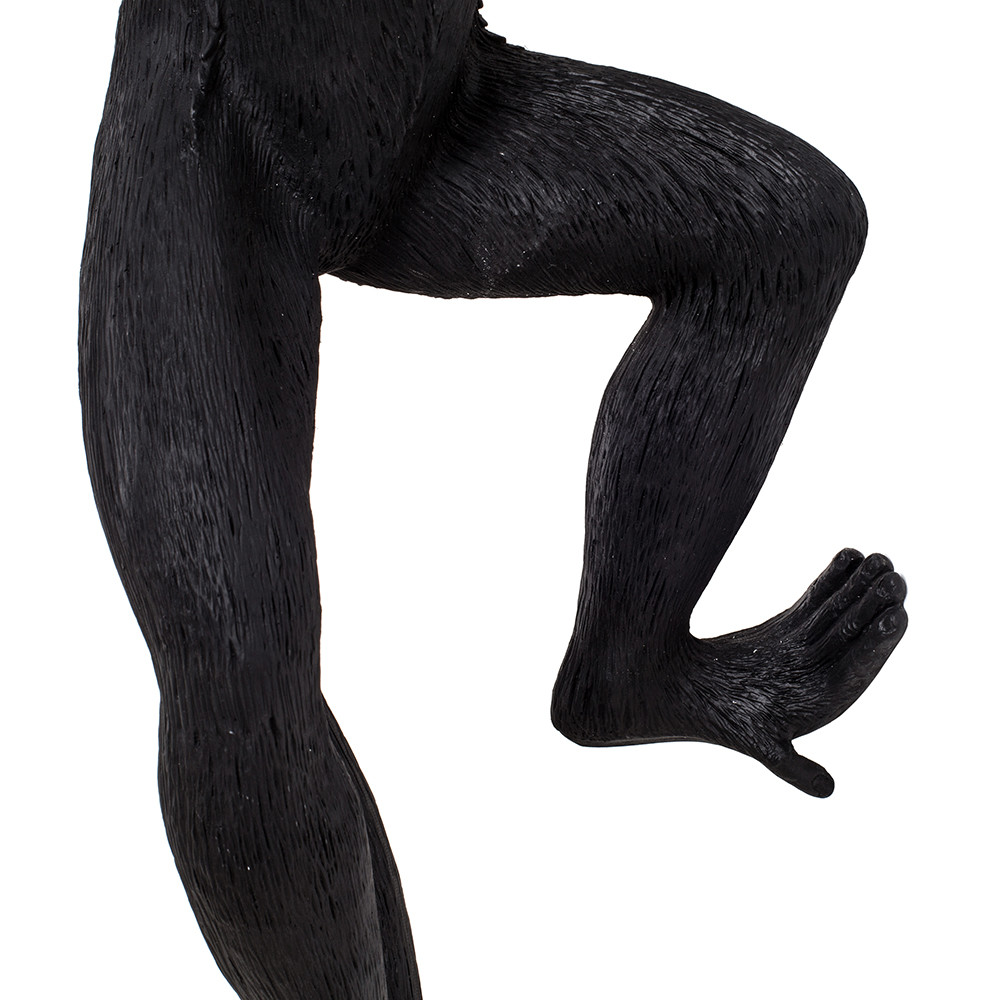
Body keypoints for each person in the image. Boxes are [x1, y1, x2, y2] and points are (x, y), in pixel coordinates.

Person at [79, 3, 907, 998]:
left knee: (786, 227)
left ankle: (629, 667)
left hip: (428, 106)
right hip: (209, 130)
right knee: (239, 679)